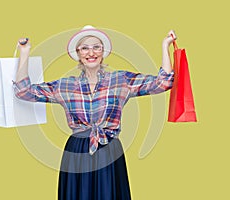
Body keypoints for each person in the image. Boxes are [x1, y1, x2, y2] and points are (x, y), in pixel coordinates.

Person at [13, 25, 176, 200]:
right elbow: (24, 91)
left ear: (103, 51)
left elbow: (163, 83)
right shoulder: (64, 85)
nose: (91, 52)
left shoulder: (121, 80)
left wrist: (164, 46)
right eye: (85, 48)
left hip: (109, 149)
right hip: (77, 151)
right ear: (78, 53)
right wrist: (25, 53)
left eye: (96, 47)